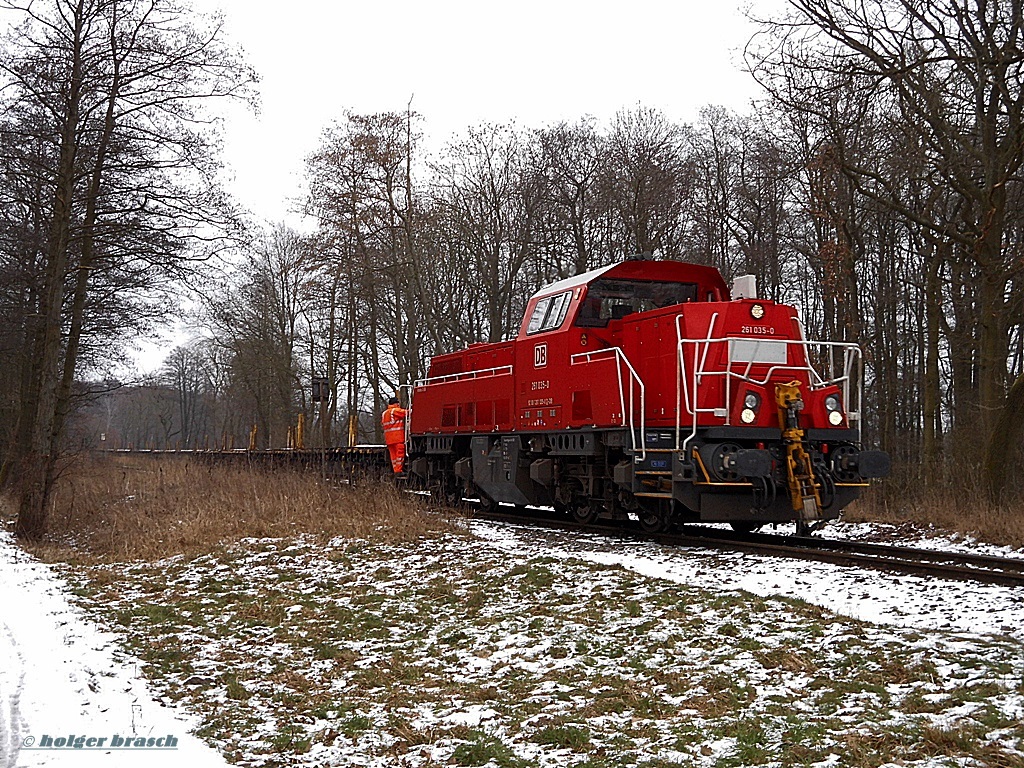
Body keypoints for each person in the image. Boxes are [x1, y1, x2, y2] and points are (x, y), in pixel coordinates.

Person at [381, 396, 407, 474]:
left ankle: (396, 470)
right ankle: (398, 471)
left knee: (393, 457)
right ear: (396, 404)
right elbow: (408, 412)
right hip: (397, 438)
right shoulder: (395, 411)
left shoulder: (384, 413)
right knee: (399, 455)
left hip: (389, 439)